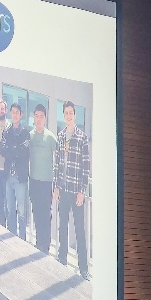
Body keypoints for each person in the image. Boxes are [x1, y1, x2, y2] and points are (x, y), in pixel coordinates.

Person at [55, 100, 92, 279]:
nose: (68, 116)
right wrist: (56, 187)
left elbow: (86, 166)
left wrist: (82, 191)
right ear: (63, 115)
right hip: (63, 189)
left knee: (79, 230)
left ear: (75, 115)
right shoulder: (61, 136)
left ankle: (83, 268)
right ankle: (61, 260)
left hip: (76, 191)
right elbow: (57, 163)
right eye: (66, 113)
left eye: (71, 113)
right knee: (62, 226)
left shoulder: (81, 137)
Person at [28, 105, 58, 254]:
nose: (38, 119)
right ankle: (39, 243)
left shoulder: (50, 137)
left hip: (46, 183)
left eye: (41, 116)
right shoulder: (30, 136)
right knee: (36, 213)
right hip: (33, 180)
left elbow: (59, 160)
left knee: (46, 215)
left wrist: (56, 184)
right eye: (36, 116)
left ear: (45, 118)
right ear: (33, 118)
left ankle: (45, 247)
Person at [1, 102, 31, 238]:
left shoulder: (25, 133)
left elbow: (24, 153)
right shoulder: (7, 131)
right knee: (10, 209)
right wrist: (14, 150)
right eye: (12, 112)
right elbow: (2, 150)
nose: (15, 115)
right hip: (8, 176)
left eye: (17, 112)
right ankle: (12, 238)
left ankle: (22, 239)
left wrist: (11, 150)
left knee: (22, 212)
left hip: (20, 178)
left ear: (21, 115)